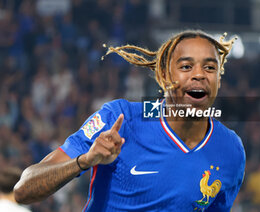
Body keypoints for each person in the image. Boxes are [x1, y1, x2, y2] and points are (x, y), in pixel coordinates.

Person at [14, 30, 246, 212]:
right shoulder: (121, 118)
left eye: (210, 67)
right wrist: (85, 160)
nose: (199, 75)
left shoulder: (231, 149)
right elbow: (24, 190)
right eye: (186, 66)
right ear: (164, 75)